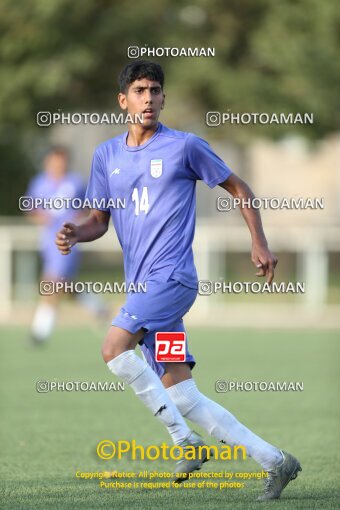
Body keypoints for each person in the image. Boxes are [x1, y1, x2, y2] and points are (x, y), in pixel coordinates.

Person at [55, 61, 301, 501]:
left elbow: (241, 189)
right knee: (183, 393)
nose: (148, 98)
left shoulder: (185, 147)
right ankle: (275, 460)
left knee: (113, 348)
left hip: (171, 280)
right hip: (143, 288)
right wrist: (76, 231)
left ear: (164, 98)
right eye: (139, 90)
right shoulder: (106, 156)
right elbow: (98, 220)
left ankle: (184, 442)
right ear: (123, 100)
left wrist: (259, 243)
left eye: (155, 90)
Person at [27, 147, 106, 343]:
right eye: (54, 161)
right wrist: (40, 216)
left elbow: (89, 207)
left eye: (61, 161)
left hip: (67, 242)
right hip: (47, 241)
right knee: (66, 287)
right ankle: (99, 307)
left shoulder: (75, 182)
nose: (58, 165)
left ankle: (40, 333)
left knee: (50, 282)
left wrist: (77, 222)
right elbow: (31, 207)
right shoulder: (39, 182)